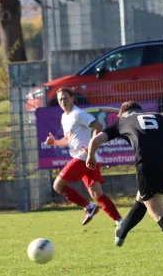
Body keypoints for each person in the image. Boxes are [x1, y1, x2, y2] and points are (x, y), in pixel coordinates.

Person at [86, 100, 163, 267]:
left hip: (147, 162)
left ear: (122, 114)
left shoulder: (123, 121)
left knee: (157, 211)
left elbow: (94, 141)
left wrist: (90, 158)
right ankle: (122, 231)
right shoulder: (161, 118)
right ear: (140, 110)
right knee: (143, 197)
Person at [44, 87, 124, 227]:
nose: (63, 101)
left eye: (65, 98)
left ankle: (89, 207)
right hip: (88, 159)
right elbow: (68, 140)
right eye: (60, 99)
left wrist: (92, 145)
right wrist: (54, 142)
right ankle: (120, 221)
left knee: (58, 185)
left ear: (73, 98)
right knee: (97, 194)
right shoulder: (65, 117)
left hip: (82, 157)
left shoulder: (78, 114)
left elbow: (98, 126)